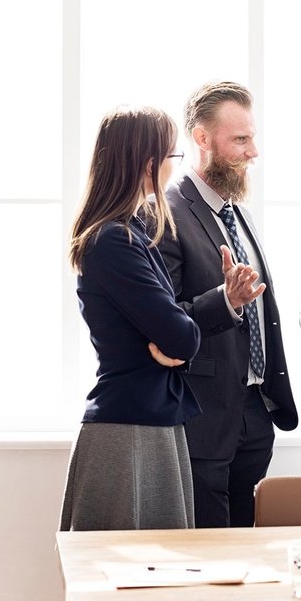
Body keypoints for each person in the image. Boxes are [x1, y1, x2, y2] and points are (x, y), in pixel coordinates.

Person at [62, 106, 214, 531]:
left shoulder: (131, 233)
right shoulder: (114, 240)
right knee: (118, 577)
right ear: (150, 164)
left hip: (149, 421)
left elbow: (177, 334)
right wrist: (176, 345)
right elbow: (181, 335)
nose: (173, 168)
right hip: (129, 428)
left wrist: (176, 343)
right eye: (172, 157)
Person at [158, 82, 298, 528]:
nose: (252, 151)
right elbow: (164, 321)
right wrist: (225, 300)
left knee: (247, 548)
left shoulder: (238, 212)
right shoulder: (166, 213)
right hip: (203, 415)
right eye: (240, 139)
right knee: (209, 553)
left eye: (252, 138)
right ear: (201, 139)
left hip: (256, 410)